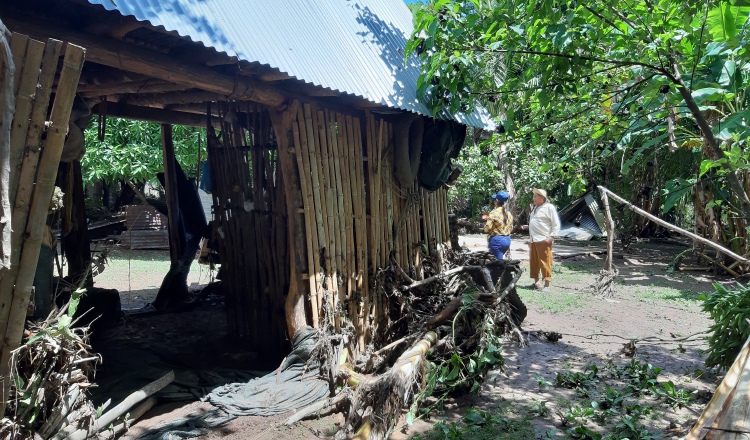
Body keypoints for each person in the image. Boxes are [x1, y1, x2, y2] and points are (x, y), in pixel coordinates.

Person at [520, 188, 560, 292]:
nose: (533, 198)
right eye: (534, 196)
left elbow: (556, 224)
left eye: (535, 196)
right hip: (533, 240)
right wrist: (528, 227)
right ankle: (536, 282)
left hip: (543, 239)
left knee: (545, 261)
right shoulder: (535, 209)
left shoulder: (549, 207)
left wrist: (551, 237)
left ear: (542, 197)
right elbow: (538, 223)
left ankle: (547, 285)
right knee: (534, 262)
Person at [483, 191, 513, 260]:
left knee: (497, 264)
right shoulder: (508, 213)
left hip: (497, 241)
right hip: (507, 241)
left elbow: (487, 229)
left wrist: (485, 225)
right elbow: (511, 228)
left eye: (494, 199)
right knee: (499, 261)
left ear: (496, 201)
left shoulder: (493, 213)